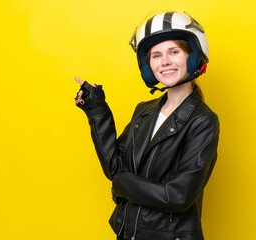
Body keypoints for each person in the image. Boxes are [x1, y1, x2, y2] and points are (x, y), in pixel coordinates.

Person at [74, 10, 220, 240]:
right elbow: (115, 167)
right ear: (147, 64)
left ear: (193, 56)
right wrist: (97, 109)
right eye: (156, 55)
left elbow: (178, 196)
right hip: (129, 234)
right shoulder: (144, 111)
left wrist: (123, 184)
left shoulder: (203, 121)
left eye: (174, 51)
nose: (165, 62)